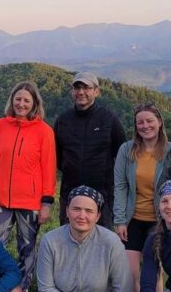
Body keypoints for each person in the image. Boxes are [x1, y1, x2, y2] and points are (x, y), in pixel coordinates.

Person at [0, 81, 56, 292]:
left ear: (34, 103)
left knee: (26, 250)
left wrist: (46, 202)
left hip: (30, 201)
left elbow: (48, 167)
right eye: (18, 99)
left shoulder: (44, 131)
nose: (21, 104)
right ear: (12, 100)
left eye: (27, 100)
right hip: (1, 199)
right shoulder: (0, 125)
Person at [113, 103, 171, 292]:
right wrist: (120, 219)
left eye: (149, 120)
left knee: (153, 272)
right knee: (129, 273)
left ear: (159, 122)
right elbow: (121, 186)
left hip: (159, 221)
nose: (145, 125)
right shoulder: (127, 150)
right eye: (140, 122)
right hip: (133, 219)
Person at [53, 72, 125, 227]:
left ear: (96, 91)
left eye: (86, 88)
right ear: (72, 91)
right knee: (69, 241)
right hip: (70, 194)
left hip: (103, 196)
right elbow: (56, 156)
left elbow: (121, 155)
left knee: (100, 244)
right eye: (77, 87)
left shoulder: (109, 120)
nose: (81, 92)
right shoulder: (63, 121)